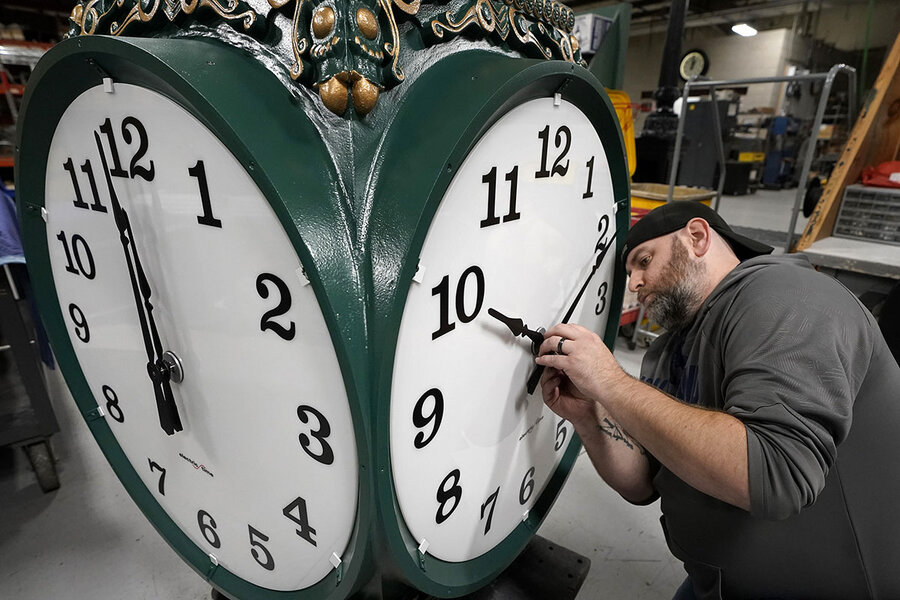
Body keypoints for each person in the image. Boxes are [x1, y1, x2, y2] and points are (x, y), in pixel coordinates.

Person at [535, 201, 900, 600]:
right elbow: (643, 483)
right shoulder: (668, 352)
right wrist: (590, 414)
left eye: (644, 261)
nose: (634, 284)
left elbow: (777, 474)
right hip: (713, 583)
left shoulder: (788, 297)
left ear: (696, 237)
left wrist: (610, 381)